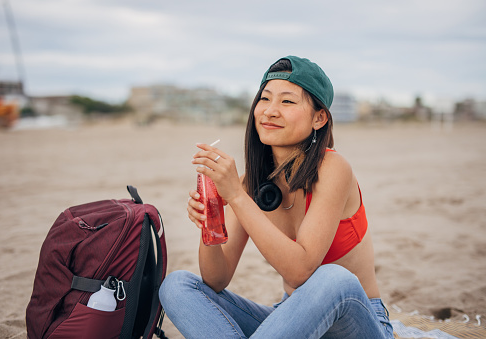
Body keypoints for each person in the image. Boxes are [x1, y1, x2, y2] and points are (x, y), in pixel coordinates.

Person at [159, 56, 394, 338]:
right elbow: (216, 279)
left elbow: (300, 271)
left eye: (287, 102)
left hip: (354, 320)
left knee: (333, 278)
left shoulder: (333, 168)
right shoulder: (250, 184)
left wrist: (235, 195)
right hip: (291, 317)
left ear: (319, 118)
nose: (270, 111)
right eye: (265, 99)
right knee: (177, 285)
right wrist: (211, 220)